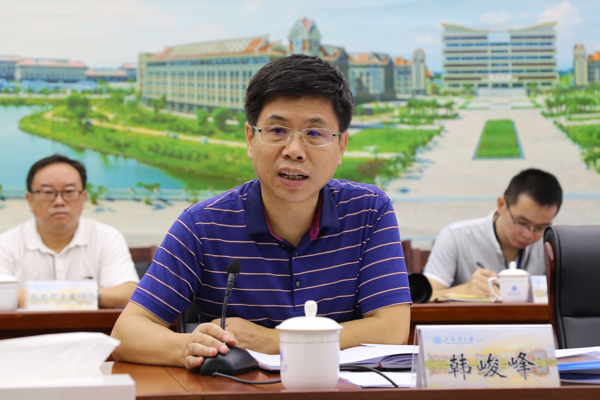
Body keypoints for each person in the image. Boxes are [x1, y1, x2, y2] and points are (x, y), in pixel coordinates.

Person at [111, 54, 412, 369]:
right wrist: (190, 345)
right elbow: (127, 333)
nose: (294, 151)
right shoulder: (201, 226)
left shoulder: (369, 210)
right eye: (277, 131)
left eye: (314, 134)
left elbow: (391, 329)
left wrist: (275, 341)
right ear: (250, 139)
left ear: (341, 147)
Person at [0, 155, 139, 308]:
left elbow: (128, 292)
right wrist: (85, 296)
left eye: (69, 191)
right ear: (30, 200)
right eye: (47, 192)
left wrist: (41, 297)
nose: (59, 201)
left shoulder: (107, 237)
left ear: (83, 198)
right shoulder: (6, 244)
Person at [422, 168, 563, 300]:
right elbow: (426, 298)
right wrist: (465, 290)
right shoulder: (455, 237)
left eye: (540, 227)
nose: (529, 235)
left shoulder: (551, 244)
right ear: (501, 205)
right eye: (522, 223)